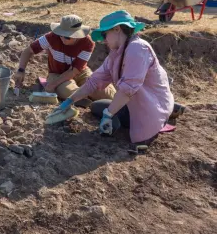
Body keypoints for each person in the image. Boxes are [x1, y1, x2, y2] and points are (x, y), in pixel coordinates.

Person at [52, 10, 183, 154]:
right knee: (97, 107)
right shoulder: (116, 54)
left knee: (112, 116)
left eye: (104, 34)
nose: (104, 39)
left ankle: (166, 112)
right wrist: (69, 101)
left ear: (117, 29)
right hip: (132, 103)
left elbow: (128, 89)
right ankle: (166, 109)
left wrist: (108, 115)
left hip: (150, 106)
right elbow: (93, 82)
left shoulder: (138, 48)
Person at [14, 14, 115, 102]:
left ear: (77, 35)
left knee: (102, 92)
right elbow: (28, 51)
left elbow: (74, 70)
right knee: (69, 93)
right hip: (57, 73)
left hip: (80, 72)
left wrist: (52, 85)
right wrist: (21, 70)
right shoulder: (51, 37)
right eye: (60, 34)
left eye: (67, 36)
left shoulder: (88, 43)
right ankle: (85, 100)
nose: (62, 38)